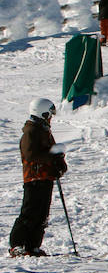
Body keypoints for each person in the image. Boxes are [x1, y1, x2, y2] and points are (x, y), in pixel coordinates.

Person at [9, 99, 68, 256]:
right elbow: (31, 154)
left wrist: (58, 162)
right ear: (42, 113)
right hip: (34, 178)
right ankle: (17, 245)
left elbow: (50, 152)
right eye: (50, 114)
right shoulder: (31, 131)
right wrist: (52, 157)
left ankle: (32, 245)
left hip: (44, 177)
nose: (51, 118)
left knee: (42, 214)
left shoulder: (43, 130)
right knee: (30, 212)